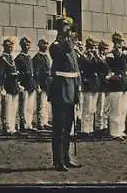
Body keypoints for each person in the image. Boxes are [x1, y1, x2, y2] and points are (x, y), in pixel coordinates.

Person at [48, 13, 83, 171]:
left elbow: (76, 70)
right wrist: (69, 40)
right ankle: (58, 160)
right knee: (59, 127)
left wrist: (78, 87)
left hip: (71, 88)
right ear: (59, 30)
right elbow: (61, 53)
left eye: (69, 28)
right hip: (61, 90)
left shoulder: (70, 45)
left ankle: (67, 157)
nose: (69, 31)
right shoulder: (56, 46)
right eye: (66, 28)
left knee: (68, 126)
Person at [105, 32, 127, 140]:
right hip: (115, 83)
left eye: (120, 42)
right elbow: (108, 68)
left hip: (124, 82)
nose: (119, 44)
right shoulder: (110, 54)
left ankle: (121, 130)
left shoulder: (124, 53)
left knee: (123, 109)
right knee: (116, 110)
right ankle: (114, 132)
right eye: (117, 42)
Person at [0, 36, 20, 135]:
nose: (10, 48)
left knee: (13, 107)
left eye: (11, 46)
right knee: (7, 107)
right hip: (7, 86)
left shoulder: (11, 58)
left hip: (14, 86)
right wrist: (0, 86)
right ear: (4, 47)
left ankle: (12, 126)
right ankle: (7, 127)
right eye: (7, 46)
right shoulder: (3, 59)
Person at [15, 37, 37, 132]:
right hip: (24, 84)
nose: (26, 46)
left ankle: (29, 123)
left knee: (30, 106)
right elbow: (17, 73)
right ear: (21, 45)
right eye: (24, 45)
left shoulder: (29, 57)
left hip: (31, 84)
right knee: (23, 106)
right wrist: (19, 84)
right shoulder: (19, 58)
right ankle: (22, 123)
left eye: (28, 45)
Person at [33, 38, 52, 130]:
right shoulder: (37, 58)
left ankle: (45, 121)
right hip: (41, 83)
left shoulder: (46, 57)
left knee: (46, 104)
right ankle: (40, 122)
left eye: (47, 44)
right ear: (39, 46)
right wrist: (37, 85)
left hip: (47, 84)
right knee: (40, 104)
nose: (46, 46)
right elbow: (36, 73)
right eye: (44, 44)